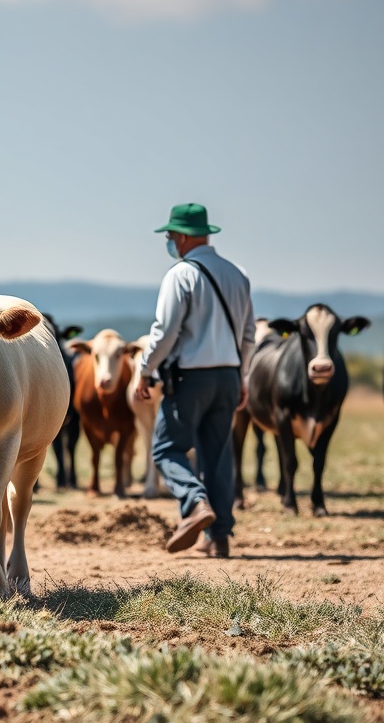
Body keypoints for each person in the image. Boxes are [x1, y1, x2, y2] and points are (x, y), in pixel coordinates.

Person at [133, 203, 255, 558]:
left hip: (190, 378)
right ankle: (219, 538)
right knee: (217, 456)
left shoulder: (180, 274)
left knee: (166, 448)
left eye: (170, 236)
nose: (170, 243)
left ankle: (195, 502)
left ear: (183, 237)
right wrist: (242, 375)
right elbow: (248, 334)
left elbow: (165, 332)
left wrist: (144, 370)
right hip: (229, 376)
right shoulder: (238, 275)